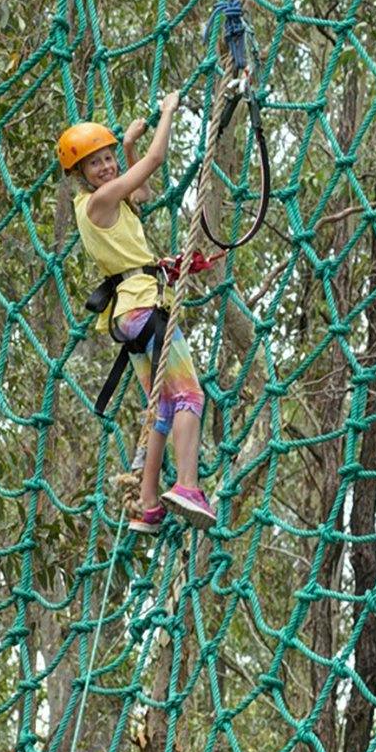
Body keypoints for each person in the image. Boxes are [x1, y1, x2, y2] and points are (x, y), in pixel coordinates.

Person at [60, 90, 217, 532]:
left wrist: (127, 146)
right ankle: (186, 485)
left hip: (130, 318)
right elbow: (153, 165)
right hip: (143, 310)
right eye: (97, 163)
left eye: (109, 158)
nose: (107, 166)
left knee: (162, 408)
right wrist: (168, 113)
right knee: (189, 396)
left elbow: (142, 189)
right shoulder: (98, 201)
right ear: (81, 174)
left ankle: (148, 503)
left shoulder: (101, 203)